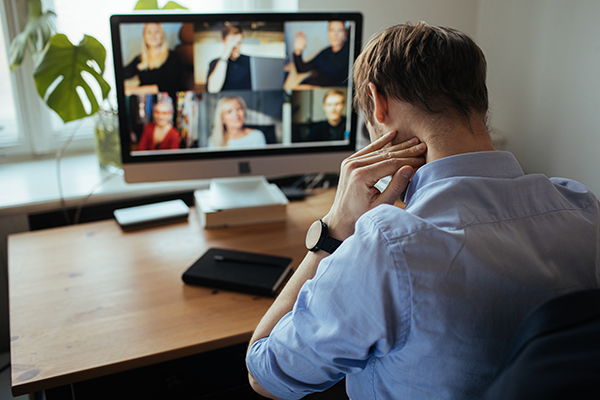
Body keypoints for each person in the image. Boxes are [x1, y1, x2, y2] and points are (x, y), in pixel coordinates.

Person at [245, 21, 600, 400]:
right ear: (480, 102)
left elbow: (266, 373)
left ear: (378, 103)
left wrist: (332, 231)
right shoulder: (583, 208)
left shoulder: (387, 245)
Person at [123, 23, 184, 96]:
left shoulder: (173, 57)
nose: (153, 35)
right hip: (144, 101)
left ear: (162, 35)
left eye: (157, 32)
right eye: (149, 32)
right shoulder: (140, 59)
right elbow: (122, 74)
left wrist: (134, 90)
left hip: (166, 102)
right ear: (144, 36)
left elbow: (169, 86)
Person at [292, 21, 350, 87]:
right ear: (328, 33)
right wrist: (298, 50)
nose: (335, 34)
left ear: (345, 33)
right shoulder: (325, 52)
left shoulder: (350, 53)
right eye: (332, 30)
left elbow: (346, 84)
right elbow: (301, 69)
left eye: (339, 30)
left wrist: (318, 88)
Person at [206, 25, 252, 93]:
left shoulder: (250, 61)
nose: (236, 47)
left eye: (238, 43)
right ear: (223, 41)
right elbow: (212, 90)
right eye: (232, 43)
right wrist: (226, 53)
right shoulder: (215, 63)